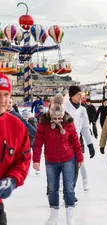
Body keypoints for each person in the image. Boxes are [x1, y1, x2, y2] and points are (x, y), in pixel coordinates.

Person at [32, 93, 84, 225]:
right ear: (50, 115)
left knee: (69, 188)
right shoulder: (43, 123)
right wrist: (36, 160)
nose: (58, 121)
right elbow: (38, 142)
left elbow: (75, 142)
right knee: (53, 188)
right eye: (55, 118)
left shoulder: (68, 122)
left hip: (68, 159)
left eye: (60, 118)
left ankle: (69, 215)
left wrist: (80, 158)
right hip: (51, 160)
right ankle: (54, 215)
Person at [0, 73, 31, 225]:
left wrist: (12, 180)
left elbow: (22, 159)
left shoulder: (17, 126)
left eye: (6, 95)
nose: (2, 100)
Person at [64, 86, 95, 194]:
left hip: (77, 141)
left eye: (81, 94)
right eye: (78, 94)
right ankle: (59, 187)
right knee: (66, 167)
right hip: (65, 141)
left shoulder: (83, 110)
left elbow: (85, 128)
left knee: (77, 166)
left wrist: (90, 144)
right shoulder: (65, 108)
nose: (81, 97)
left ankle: (70, 190)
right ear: (72, 96)